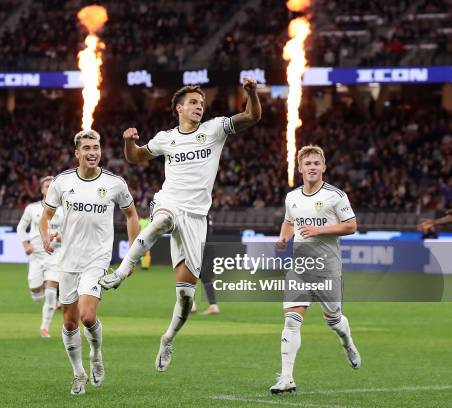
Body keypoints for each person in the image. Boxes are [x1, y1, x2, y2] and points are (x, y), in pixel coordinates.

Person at [100, 77, 261, 372]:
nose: (199, 107)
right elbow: (136, 157)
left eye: (202, 103)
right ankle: (122, 270)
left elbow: (252, 116)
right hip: (170, 201)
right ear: (178, 108)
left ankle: (168, 338)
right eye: (193, 103)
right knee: (161, 219)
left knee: (186, 297)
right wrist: (128, 142)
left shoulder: (214, 130)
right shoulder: (166, 138)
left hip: (197, 218)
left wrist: (251, 93)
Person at [40, 129, 139, 396]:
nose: (92, 152)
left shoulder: (115, 183)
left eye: (96, 147)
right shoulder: (61, 182)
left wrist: (132, 256)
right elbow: (45, 216)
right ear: (77, 153)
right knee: (70, 323)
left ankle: (96, 354)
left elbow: (131, 215)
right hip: (68, 261)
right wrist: (45, 237)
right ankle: (78, 373)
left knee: (87, 315)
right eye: (87, 148)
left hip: (97, 259)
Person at [270, 145, 361, 394]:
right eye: (307, 163)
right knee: (291, 321)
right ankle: (286, 378)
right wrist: (283, 239)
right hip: (300, 266)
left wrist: (318, 230)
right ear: (300, 168)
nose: (312, 167)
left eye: (316, 163)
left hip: (327, 267)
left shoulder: (336, 196)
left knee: (333, 320)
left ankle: (347, 342)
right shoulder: (292, 197)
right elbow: (289, 222)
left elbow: (351, 226)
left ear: (323, 167)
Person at [17, 176, 63, 338]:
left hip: (55, 254)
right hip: (36, 255)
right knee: (36, 293)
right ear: (42, 189)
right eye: (46, 186)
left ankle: (45, 328)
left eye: (52, 186)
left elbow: (70, 234)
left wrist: (59, 237)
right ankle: (41, 290)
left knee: (51, 294)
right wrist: (25, 245)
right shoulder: (32, 208)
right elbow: (21, 228)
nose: (49, 189)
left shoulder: (64, 210)